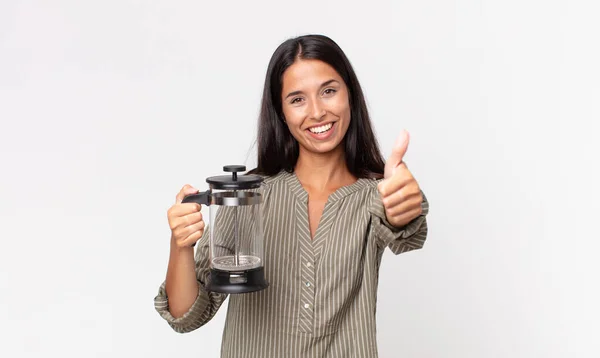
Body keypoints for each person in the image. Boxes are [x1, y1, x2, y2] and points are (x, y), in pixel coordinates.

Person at [154, 34, 429, 358]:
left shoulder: (375, 196)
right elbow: (188, 315)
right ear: (281, 112)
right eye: (297, 99)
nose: (316, 112)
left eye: (328, 91)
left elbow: (408, 231)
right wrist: (181, 245)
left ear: (350, 95)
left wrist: (403, 204)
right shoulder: (247, 195)